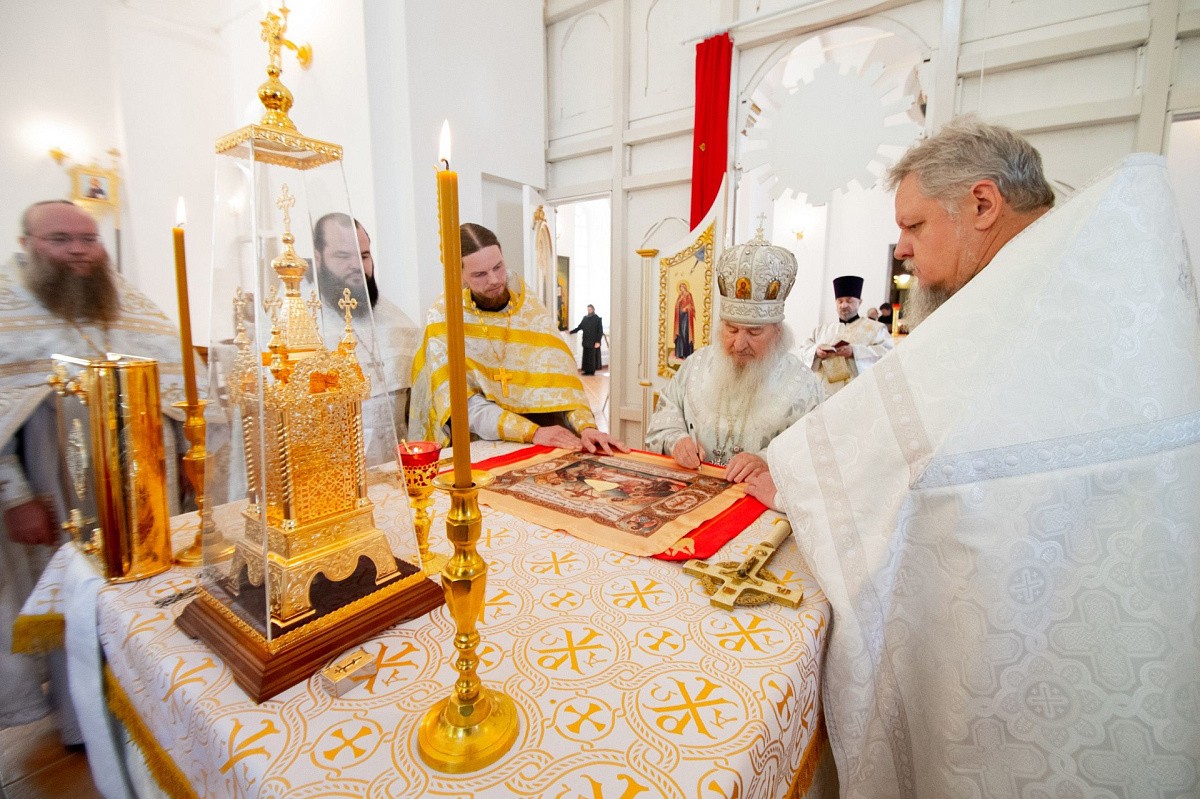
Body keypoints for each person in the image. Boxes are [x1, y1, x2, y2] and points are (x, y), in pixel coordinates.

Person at [748, 118, 1200, 795]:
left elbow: (930, 441)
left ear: (983, 204)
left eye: (914, 225)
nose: (902, 249)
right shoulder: (1069, 275)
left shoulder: (1035, 292)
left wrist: (793, 477)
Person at [1, 200, 192, 743]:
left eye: (89, 239)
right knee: (78, 591)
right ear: (27, 245)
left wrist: (187, 454)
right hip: (61, 481)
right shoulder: (9, 312)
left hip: (149, 480)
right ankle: (84, 721)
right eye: (60, 239)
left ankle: (160, 705)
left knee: (153, 589)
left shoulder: (127, 303)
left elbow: (181, 388)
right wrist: (14, 495)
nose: (79, 251)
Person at [410, 223, 627, 454]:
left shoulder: (528, 308)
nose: (494, 280)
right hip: (481, 448)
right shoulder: (444, 318)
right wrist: (532, 432)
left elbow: (562, 385)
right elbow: (462, 406)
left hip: (543, 445)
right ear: (458, 274)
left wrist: (586, 426)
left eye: (498, 267)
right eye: (480, 274)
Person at [645, 233, 823, 481]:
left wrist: (766, 460)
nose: (739, 344)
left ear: (777, 332)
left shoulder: (804, 386)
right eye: (731, 329)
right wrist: (676, 440)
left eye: (754, 332)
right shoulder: (695, 366)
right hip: (692, 490)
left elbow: (814, 448)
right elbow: (665, 416)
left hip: (756, 496)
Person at [311, 213, 419, 459]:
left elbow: (418, 410)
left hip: (398, 466)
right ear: (318, 258)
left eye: (364, 256)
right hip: (334, 467)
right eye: (343, 256)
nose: (357, 265)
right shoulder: (305, 328)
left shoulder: (398, 324)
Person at [798, 275, 893, 396]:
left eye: (849, 301)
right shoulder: (821, 329)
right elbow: (803, 349)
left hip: (858, 393)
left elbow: (888, 354)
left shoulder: (876, 329)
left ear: (860, 302)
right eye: (840, 301)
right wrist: (816, 352)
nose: (844, 305)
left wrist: (855, 352)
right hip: (825, 393)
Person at [568, 304, 604, 375]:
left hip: (593, 342)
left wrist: (598, 341)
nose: (589, 311)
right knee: (586, 356)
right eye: (588, 309)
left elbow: (600, 331)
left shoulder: (597, 319)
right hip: (586, 341)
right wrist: (571, 332)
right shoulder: (585, 318)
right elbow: (579, 327)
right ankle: (586, 371)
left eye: (590, 309)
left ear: (593, 310)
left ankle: (591, 371)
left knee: (592, 357)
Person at [673, 281, 695, 359]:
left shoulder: (688, 295)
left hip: (686, 318)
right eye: (680, 288)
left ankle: (686, 353)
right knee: (680, 334)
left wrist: (686, 308)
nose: (681, 289)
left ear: (685, 287)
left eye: (682, 287)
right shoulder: (680, 296)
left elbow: (691, 305)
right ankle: (680, 353)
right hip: (680, 318)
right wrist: (678, 304)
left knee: (685, 333)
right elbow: (676, 305)